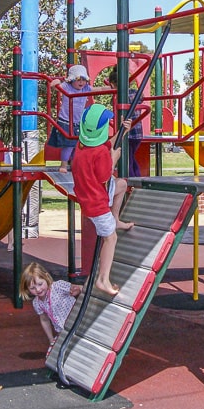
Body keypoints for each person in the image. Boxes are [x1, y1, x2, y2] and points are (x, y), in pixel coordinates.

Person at [72, 103, 135, 296]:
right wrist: (114, 158)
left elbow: (108, 143)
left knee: (122, 185)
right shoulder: (100, 153)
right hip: (96, 204)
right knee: (110, 238)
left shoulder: (83, 145)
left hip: (88, 196)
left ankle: (115, 218)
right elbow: (104, 177)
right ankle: (102, 279)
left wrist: (122, 132)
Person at [47, 65, 109, 174]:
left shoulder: (86, 88)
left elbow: (99, 89)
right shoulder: (67, 86)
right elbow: (53, 86)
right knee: (69, 144)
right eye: (78, 80)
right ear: (71, 79)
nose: (81, 82)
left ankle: (75, 163)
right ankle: (64, 165)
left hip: (78, 122)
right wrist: (55, 81)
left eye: (84, 80)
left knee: (79, 144)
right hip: (66, 120)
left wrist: (112, 88)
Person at [19, 262, 82, 345]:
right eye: (32, 288)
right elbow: (44, 319)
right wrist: (50, 338)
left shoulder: (58, 286)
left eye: (40, 284)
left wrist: (77, 289)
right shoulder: (37, 303)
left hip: (78, 325)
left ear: (46, 277)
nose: (38, 289)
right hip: (63, 331)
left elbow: (78, 288)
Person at [108, 69, 144, 177]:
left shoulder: (119, 96)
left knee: (127, 159)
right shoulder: (134, 93)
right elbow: (141, 98)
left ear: (112, 84)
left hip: (127, 133)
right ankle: (137, 178)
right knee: (131, 157)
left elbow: (113, 103)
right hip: (138, 133)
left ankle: (130, 180)